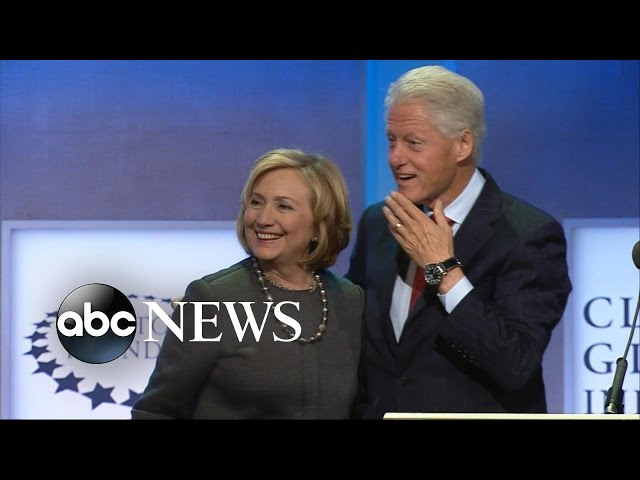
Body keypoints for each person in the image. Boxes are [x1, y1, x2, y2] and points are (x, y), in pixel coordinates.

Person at [346, 65, 572, 417]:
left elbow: (516, 364)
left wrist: (443, 271)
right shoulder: (380, 222)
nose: (395, 158)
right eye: (391, 140)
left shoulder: (528, 234)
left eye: (413, 143)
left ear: (463, 144)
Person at [132, 148, 363, 419]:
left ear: (320, 223)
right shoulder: (213, 299)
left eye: (283, 206)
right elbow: (155, 411)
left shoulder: (350, 300)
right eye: (256, 203)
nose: (263, 219)